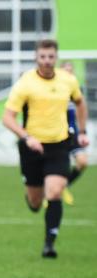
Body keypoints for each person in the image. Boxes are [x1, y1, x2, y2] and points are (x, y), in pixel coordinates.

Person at [2, 39, 89, 258]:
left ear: (56, 57)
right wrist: (27, 137)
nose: (47, 61)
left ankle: (49, 243)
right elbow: (7, 118)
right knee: (35, 202)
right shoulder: (25, 83)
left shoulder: (68, 80)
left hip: (60, 144)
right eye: (43, 57)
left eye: (51, 57)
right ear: (36, 58)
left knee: (55, 191)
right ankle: (32, 197)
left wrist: (82, 131)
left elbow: (80, 102)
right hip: (32, 147)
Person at [60, 61, 88, 205]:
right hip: (57, 133)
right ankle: (51, 195)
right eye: (66, 70)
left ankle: (65, 186)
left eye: (71, 71)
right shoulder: (55, 89)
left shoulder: (76, 91)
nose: (68, 73)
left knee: (82, 162)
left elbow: (81, 111)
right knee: (58, 166)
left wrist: (83, 132)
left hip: (73, 133)